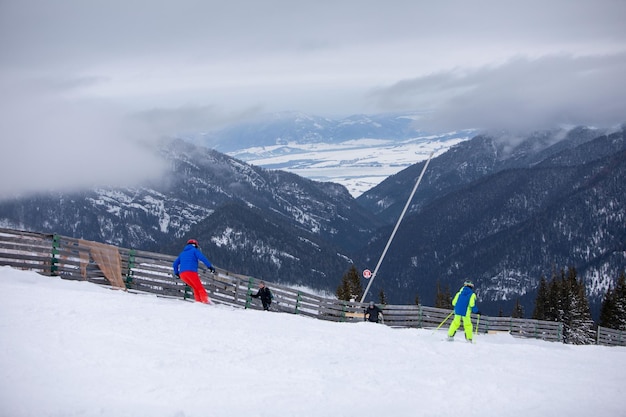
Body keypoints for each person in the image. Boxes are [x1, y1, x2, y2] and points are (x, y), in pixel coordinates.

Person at [172, 239, 216, 304]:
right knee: (200, 287)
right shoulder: (194, 251)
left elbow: (175, 264)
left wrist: (176, 273)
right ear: (195, 245)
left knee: (195, 287)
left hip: (182, 274)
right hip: (191, 272)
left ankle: (198, 302)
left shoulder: (182, 253)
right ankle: (206, 301)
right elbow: (202, 258)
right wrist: (209, 266)